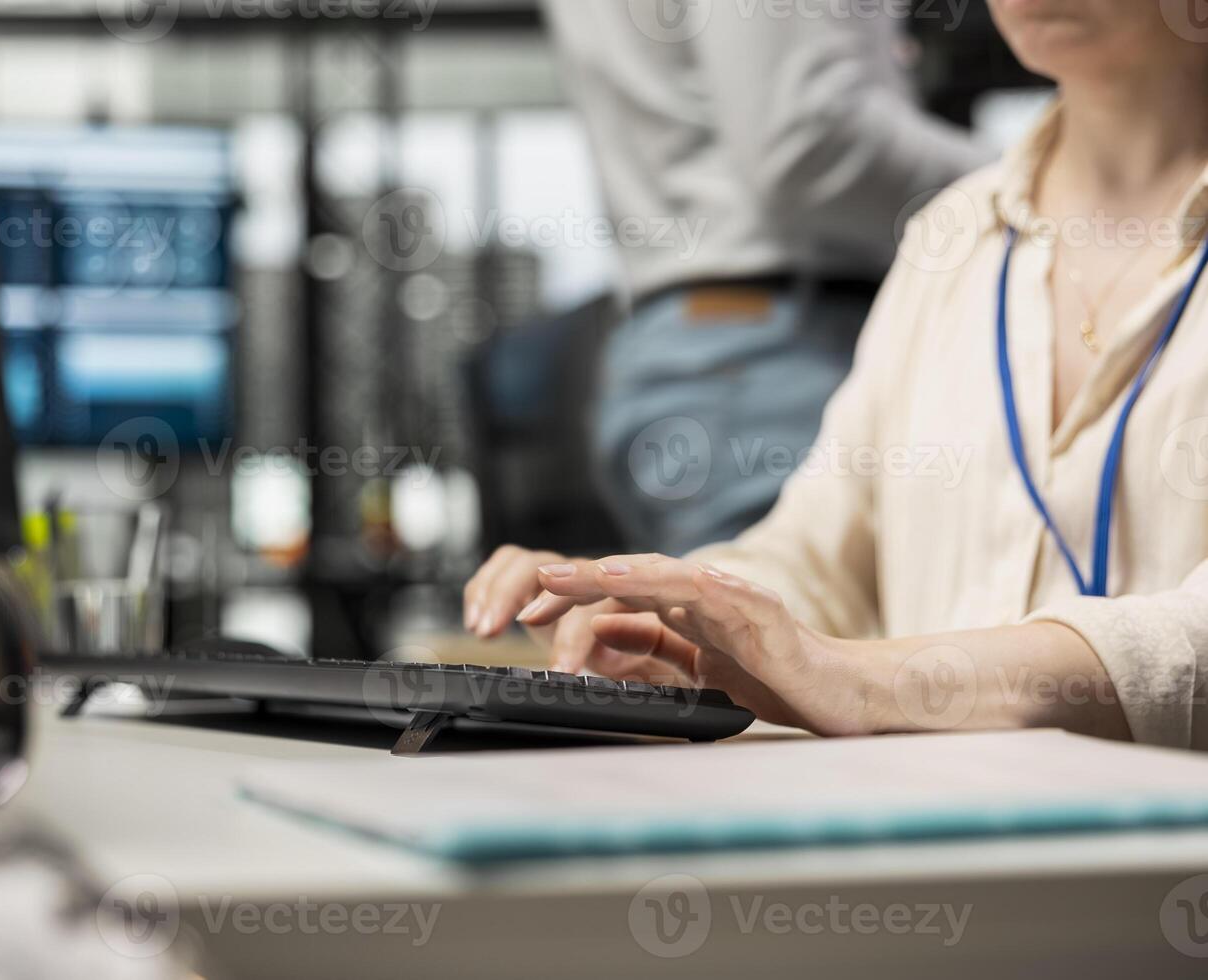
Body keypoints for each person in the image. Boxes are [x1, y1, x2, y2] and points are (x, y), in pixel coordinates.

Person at [467, 0, 1208, 750]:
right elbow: (819, 555)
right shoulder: (951, 240)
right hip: (960, 843)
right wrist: (669, 610)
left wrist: (873, 680)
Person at [540, 0, 990, 556]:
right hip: (773, 356)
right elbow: (807, 142)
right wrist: (1031, 181)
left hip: (712, 353)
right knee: (781, 628)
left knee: (759, 627)